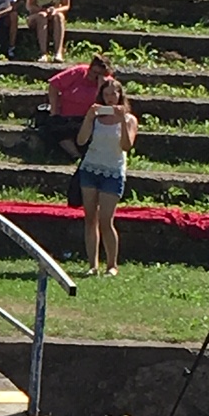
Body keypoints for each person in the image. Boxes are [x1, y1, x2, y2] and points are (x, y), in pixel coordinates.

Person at [74, 79, 136, 275]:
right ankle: (93, 264)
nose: (110, 98)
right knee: (90, 218)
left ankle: (112, 265)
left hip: (113, 171)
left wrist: (122, 121)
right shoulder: (96, 116)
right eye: (106, 94)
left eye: (113, 94)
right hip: (91, 168)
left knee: (106, 219)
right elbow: (81, 140)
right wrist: (89, 117)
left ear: (120, 95)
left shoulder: (129, 119)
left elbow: (126, 146)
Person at [43, 51, 113, 161]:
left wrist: (100, 87)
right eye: (91, 70)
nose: (91, 75)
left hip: (88, 119)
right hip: (66, 116)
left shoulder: (108, 85)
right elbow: (54, 85)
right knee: (54, 127)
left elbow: (108, 105)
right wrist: (54, 109)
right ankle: (74, 154)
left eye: (96, 73)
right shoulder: (79, 72)